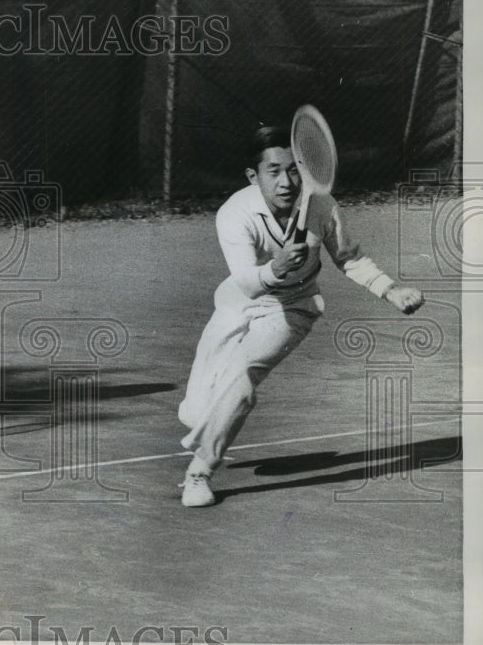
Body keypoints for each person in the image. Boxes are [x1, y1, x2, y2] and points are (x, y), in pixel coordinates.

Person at [177, 126, 424, 507]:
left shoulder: (321, 205)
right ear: (253, 176)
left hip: (292, 308)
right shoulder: (234, 214)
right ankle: (216, 413)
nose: (287, 181)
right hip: (238, 302)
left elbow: (349, 256)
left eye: (294, 170)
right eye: (273, 171)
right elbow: (245, 280)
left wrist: (391, 290)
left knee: (243, 374)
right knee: (198, 411)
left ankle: (200, 471)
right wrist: (273, 270)